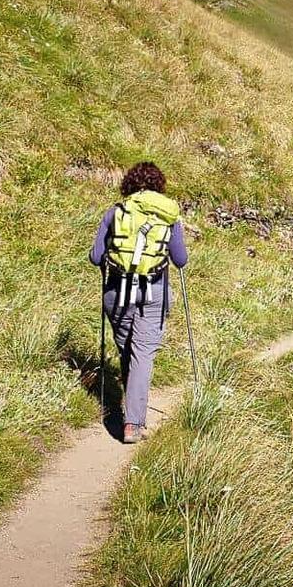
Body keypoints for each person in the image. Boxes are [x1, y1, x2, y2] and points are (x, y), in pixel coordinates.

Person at [89, 161, 189, 443]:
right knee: (143, 353)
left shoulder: (115, 213)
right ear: (159, 186)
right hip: (153, 291)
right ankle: (133, 424)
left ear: (129, 185)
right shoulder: (168, 216)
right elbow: (180, 260)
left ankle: (129, 410)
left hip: (116, 291)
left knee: (127, 349)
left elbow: (95, 257)